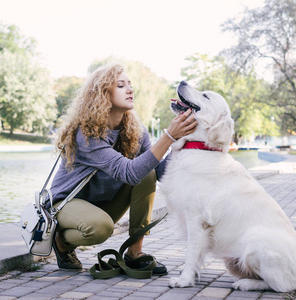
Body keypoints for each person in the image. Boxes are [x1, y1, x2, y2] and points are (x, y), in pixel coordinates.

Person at [49, 63, 197, 275]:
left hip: (102, 205)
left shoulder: (135, 132)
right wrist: (169, 136)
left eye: (130, 84)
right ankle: (61, 241)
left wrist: (182, 141)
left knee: (147, 172)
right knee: (100, 228)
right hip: (66, 203)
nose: (130, 89)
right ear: (102, 94)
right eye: (120, 85)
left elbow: (160, 172)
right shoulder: (86, 134)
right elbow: (128, 172)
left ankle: (134, 254)